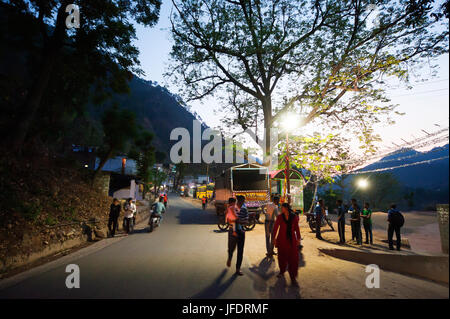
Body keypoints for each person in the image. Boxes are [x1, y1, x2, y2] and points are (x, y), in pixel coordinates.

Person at [273, 203, 301, 287]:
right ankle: (282, 271)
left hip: (292, 240)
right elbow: (275, 228)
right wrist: (274, 238)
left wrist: (298, 238)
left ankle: (293, 277)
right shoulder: (280, 217)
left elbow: (297, 228)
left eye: (282, 208)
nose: (281, 209)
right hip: (282, 239)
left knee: (293, 259)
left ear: (286, 208)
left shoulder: (294, 217)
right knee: (281, 256)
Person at [226, 195, 248, 276]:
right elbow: (228, 220)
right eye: (241, 201)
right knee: (231, 248)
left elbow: (246, 221)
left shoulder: (244, 210)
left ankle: (238, 268)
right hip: (232, 231)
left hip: (241, 231)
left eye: (243, 201)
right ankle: (230, 257)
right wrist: (236, 221)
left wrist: (239, 221)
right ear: (238, 201)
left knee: (240, 250)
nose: (242, 203)